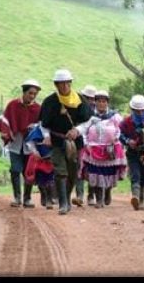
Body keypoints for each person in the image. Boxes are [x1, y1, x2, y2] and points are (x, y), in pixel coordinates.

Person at [40, 69, 92, 215]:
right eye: (61, 84)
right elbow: (43, 123)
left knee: (72, 173)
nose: (64, 86)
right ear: (56, 85)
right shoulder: (50, 102)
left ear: (70, 83)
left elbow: (89, 120)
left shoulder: (80, 100)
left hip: (75, 142)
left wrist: (78, 130)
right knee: (60, 171)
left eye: (67, 83)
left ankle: (67, 198)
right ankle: (62, 203)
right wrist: (46, 136)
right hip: (57, 140)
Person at [70, 90, 127, 208]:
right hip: (93, 149)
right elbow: (84, 129)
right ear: (95, 102)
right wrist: (86, 144)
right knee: (95, 173)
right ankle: (99, 199)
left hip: (110, 150)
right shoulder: (90, 116)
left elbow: (121, 129)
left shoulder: (114, 116)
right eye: (99, 101)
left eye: (104, 101)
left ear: (107, 103)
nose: (101, 104)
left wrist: (116, 139)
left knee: (108, 173)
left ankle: (107, 192)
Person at [0, 79, 42, 208]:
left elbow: (41, 126)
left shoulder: (37, 109)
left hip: (30, 146)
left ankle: (27, 198)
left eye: (35, 94)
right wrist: (5, 132)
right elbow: (5, 120)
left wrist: (35, 128)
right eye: (30, 93)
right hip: (15, 143)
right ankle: (17, 197)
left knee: (29, 172)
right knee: (15, 170)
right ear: (24, 92)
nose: (32, 96)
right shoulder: (13, 105)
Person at [24, 122, 55, 209]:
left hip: (50, 159)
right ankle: (42, 196)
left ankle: (49, 199)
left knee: (50, 178)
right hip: (37, 158)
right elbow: (30, 142)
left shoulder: (55, 128)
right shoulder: (36, 129)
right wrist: (35, 152)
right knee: (39, 178)